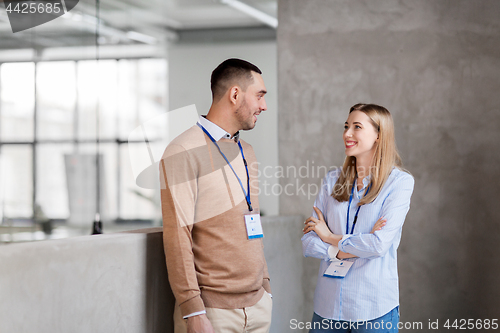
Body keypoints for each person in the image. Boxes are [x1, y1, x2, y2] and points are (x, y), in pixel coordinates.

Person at [160, 58, 272, 333]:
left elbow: (251, 221)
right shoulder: (183, 150)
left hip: (258, 306)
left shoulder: (247, 151)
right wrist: (193, 309)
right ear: (235, 94)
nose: (264, 106)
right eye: (259, 95)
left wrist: (266, 288)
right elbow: (178, 235)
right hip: (212, 314)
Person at [302, 103, 414, 333]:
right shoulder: (331, 181)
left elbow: (379, 245)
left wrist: (330, 236)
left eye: (356, 127)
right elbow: (309, 242)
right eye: (346, 126)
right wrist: (338, 250)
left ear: (378, 135)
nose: (347, 134)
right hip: (327, 308)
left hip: (373, 309)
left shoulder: (399, 183)